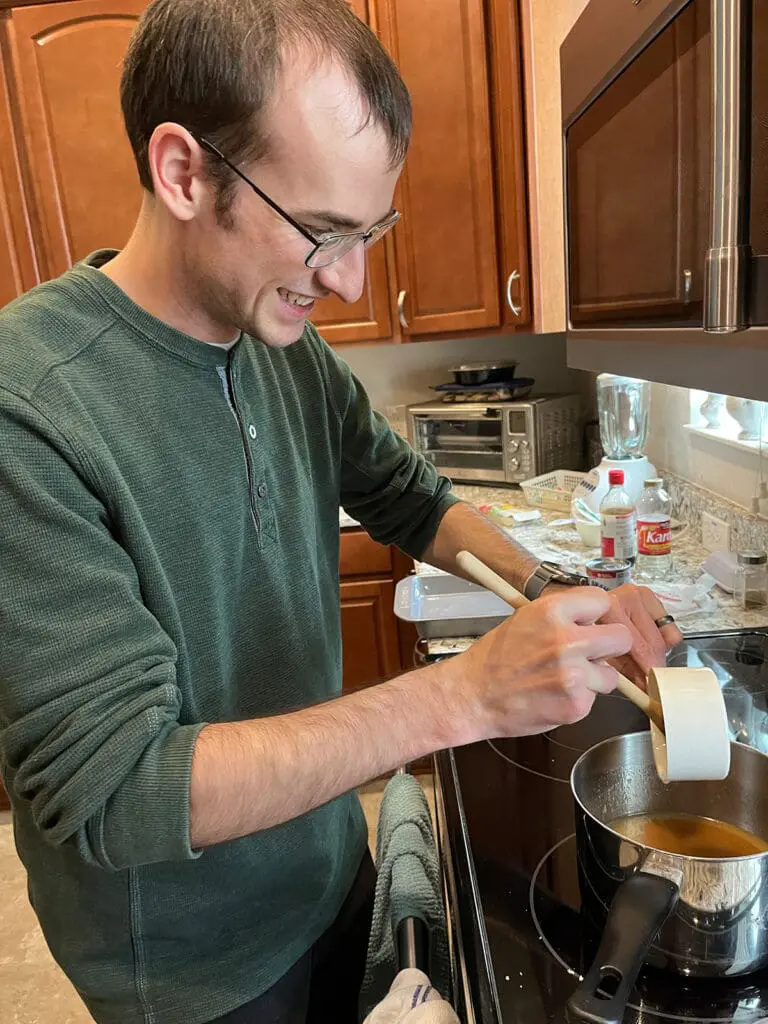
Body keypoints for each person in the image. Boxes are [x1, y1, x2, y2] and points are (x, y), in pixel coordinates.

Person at [0, 1, 682, 1022]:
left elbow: (409, 496)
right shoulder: (31, 402)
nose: (354, 281)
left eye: (370, 233)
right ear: (184, 172)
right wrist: (464, 697)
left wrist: (557, 589)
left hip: (326, 861)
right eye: (323, 233)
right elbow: (117, 790)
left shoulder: (285, 349)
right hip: (194, 963)